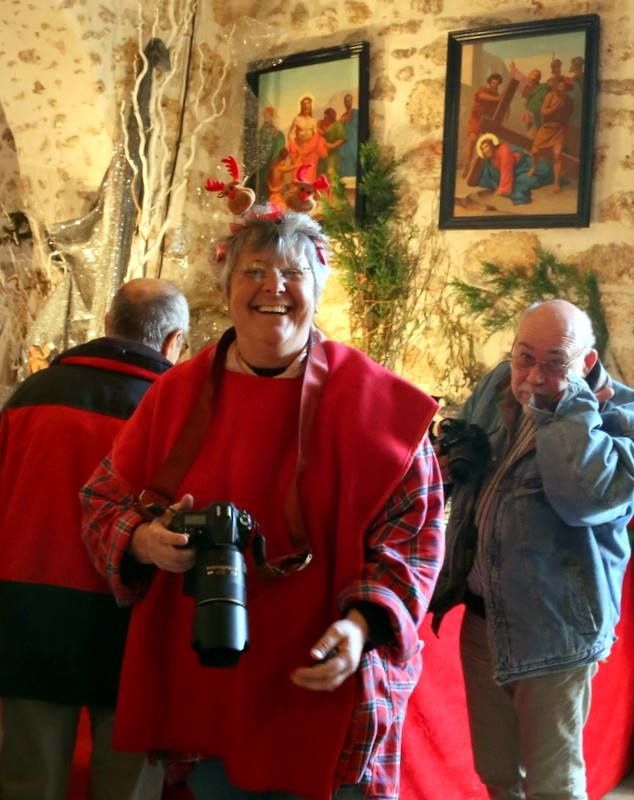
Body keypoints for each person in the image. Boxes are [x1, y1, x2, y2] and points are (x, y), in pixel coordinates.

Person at [80, 209, 445, 800]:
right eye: (254, 270)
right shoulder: (175, 394)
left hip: (331, 682)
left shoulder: (378, 404)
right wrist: (143, 540)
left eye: (292, 272)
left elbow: (414, 537)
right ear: (225, 292)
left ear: (316, 293)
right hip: (210, 691)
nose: (273, 287)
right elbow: (101, 500)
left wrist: (361, 626)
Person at [431, 299, 634, 800]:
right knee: (498, 773)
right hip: (484, 622)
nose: (533, 376)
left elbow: (581, 499)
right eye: (525, 357)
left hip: (557, 632)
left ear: (586, 363)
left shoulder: (620, 416)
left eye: (554, 363)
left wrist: (564, 408)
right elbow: (466, 459)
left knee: (553, 785)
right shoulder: (500, 382)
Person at [0, 278, 189, 800]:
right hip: (133, 616)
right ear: (174, 341)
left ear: (107, 326)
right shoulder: (174, 411)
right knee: (127, 785)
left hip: (28, 611)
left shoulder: (30, 396)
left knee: (25, 781)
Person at [473, 132, 553, 205]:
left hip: (523, 166)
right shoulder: (489, 160)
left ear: (492, 145)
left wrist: (502, 189)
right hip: (513, 173)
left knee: (540, 173)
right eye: (483, 149)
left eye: (486, 146)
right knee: (530, 181)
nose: (485, 150)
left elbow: (506, 170)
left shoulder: (504, 150)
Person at [528, 77, 574, 192]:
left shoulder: (569, 100)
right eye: (559, 86)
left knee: (557, 155)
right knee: (535, 151)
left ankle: (556, 183)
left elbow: (568, 116)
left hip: (559, 130)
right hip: (546, 127)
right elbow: (543, 112)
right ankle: (534, 167)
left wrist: (563, 126)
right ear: (557, 86)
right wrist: (555, 108)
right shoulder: (550, 96)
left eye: (563, 87)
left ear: (566, 88)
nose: (561, 88)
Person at [462, 73, 503, 174]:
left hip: (487, 122)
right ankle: (467, 166)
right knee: (472, 140)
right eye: (493, 82)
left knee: (488, 145)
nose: (495, 85)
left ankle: (485, 169)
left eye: (497, 83)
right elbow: (481, 96)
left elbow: (503, 110)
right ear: (490, 82)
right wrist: (497, 99)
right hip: (476, 120)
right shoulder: (483, 89)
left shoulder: (498, 95)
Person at [288, 95, 328, 182]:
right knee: (298, 173)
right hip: (299, 149)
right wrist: (293, 146)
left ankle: (309, 193)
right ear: (302, 106)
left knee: (309, 174)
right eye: (304, 105)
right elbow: (291, 134)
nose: (306, 107)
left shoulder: (313, 121)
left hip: (310, 152)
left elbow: (316, 135)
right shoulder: (297, 119)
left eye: (308, 105)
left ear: (310, 107)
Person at [338, 93, 359, 178]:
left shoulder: (356, 113)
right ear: (344, 103)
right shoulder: (343, 116)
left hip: (354, 140)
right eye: (346, 101)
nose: (348, 103)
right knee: (345, 160)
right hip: (345, 143)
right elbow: (340, 130)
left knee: (355, 159)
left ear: (352, 101)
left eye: (349, 101)